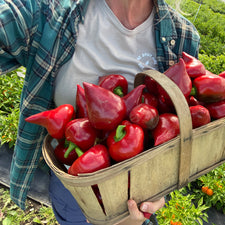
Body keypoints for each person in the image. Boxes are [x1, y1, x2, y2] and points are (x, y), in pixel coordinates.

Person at [0, 0, 200, 224]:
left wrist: (157, 190)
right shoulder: (48, 11)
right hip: (74, 185)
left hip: (131, 195)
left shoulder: (184, 37)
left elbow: (176, 127)